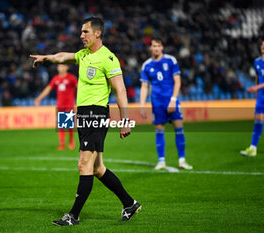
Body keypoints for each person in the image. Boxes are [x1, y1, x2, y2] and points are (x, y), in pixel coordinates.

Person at [30, 16, 141, 226]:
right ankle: (129, 203)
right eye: (81, 32)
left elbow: (121, 91)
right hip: (83, 115)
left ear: (97, 33)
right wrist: (46, 57)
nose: (81, 36)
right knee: (98, 168)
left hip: (96, 115)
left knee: (84, 164)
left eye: (85, 32)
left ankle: (73, 216)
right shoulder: (83, 55)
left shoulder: (108, 58)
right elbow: (63, 56)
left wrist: (125, 120)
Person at [139, 36, 193, 170]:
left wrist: (173, 100)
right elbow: (144, 86)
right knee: (159, 131)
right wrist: (142, 104)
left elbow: (177, 81)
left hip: (171, 100)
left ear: (162, 47)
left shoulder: (171, 60)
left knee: (179, 129)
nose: (156, 48)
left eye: (158, 46)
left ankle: (182, 160)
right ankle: (161, 161)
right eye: (154, 46)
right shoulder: (146, 65)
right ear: (150, 48)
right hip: (157, 102)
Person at [34, 64, 78, 150]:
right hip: (60, 105)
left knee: (69, 125)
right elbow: (48, 89)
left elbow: (79, 87)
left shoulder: (71, 78)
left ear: (67, 67)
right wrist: (39, 98)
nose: (61, 68)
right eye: (59, 66)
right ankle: (62, 144)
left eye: (63, 66)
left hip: (69, 105)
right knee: (61, 126)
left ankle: (71, 141)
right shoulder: (56, 79)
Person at [240, 39, 264, 157]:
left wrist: (256, 88)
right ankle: (253, 148)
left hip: (260, 91)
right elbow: (258, 77)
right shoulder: (257, 62)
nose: (263, 47)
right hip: (260, 96)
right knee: (258, 120)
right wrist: (256, 91)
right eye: (262, 45)